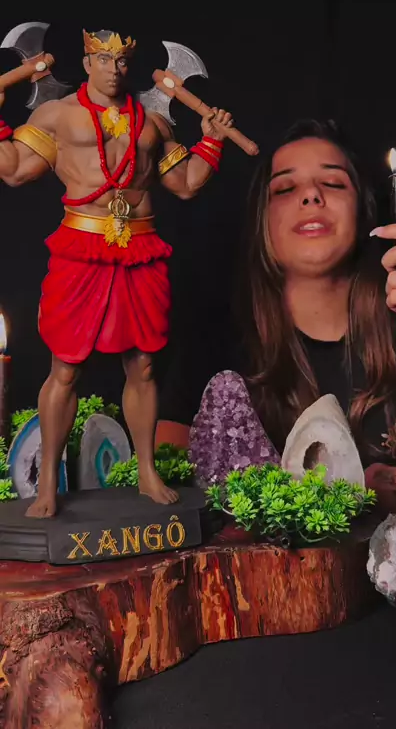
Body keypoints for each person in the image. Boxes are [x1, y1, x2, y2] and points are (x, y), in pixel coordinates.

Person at [189, 119, 396, 514]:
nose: (311, 195)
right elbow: (169, 492)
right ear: (262, 222)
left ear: (364, 212)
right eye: (285, 188)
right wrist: (352, 494)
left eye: (333, 183)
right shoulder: (217, 342)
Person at [0, 28, 233, 517]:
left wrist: (212, 139)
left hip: (141, 247)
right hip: (81, 247)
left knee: (144, 365)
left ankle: (146, 471)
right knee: (65, 367)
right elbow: (15, 169)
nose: (114, 69)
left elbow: (186, 184)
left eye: (121, 61)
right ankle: (48, 483)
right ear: (87, 63)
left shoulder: (152, 122)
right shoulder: (57, 115)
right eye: (103, 60)